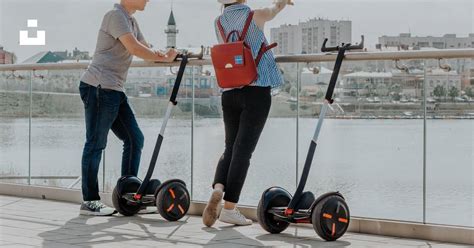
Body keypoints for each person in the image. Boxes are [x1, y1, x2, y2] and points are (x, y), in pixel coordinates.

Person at [78, 0, 178, 216]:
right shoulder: (115, 16)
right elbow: (134, 48)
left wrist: (165, 54)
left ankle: (130, 195)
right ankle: (90, 200)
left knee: (135, 139)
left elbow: (145, 47)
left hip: (114, 89)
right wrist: (160, 55)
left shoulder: (130, 20)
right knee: (95, 144)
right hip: (99, 86)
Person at [203, 0, 293, 226]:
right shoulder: (255, 15)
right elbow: (274, 10)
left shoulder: (219, 22)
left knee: (230, 147)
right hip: (255, 90)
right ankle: (230, 208)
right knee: (244, 152)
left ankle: (218, 188)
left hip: (229, 90)